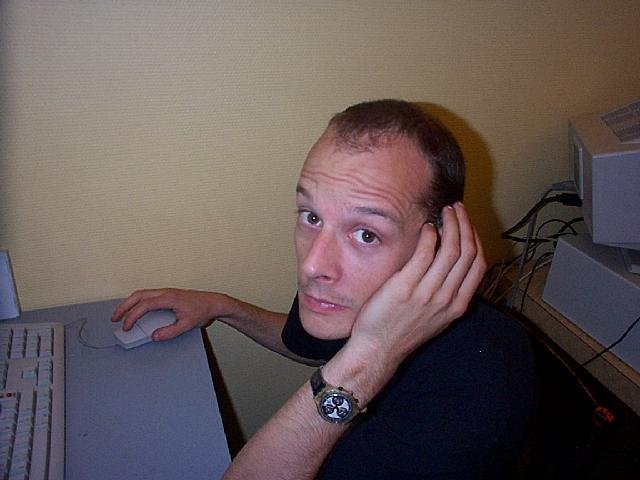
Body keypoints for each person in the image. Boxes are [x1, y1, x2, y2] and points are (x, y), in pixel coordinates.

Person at [112, 100, 536, 479]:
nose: (314, 265)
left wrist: (372, 354)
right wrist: (223, 307)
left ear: (440, 244)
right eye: (312, 216)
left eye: (366, 234)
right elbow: (302, 343)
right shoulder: (356, 293)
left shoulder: (473, 400)